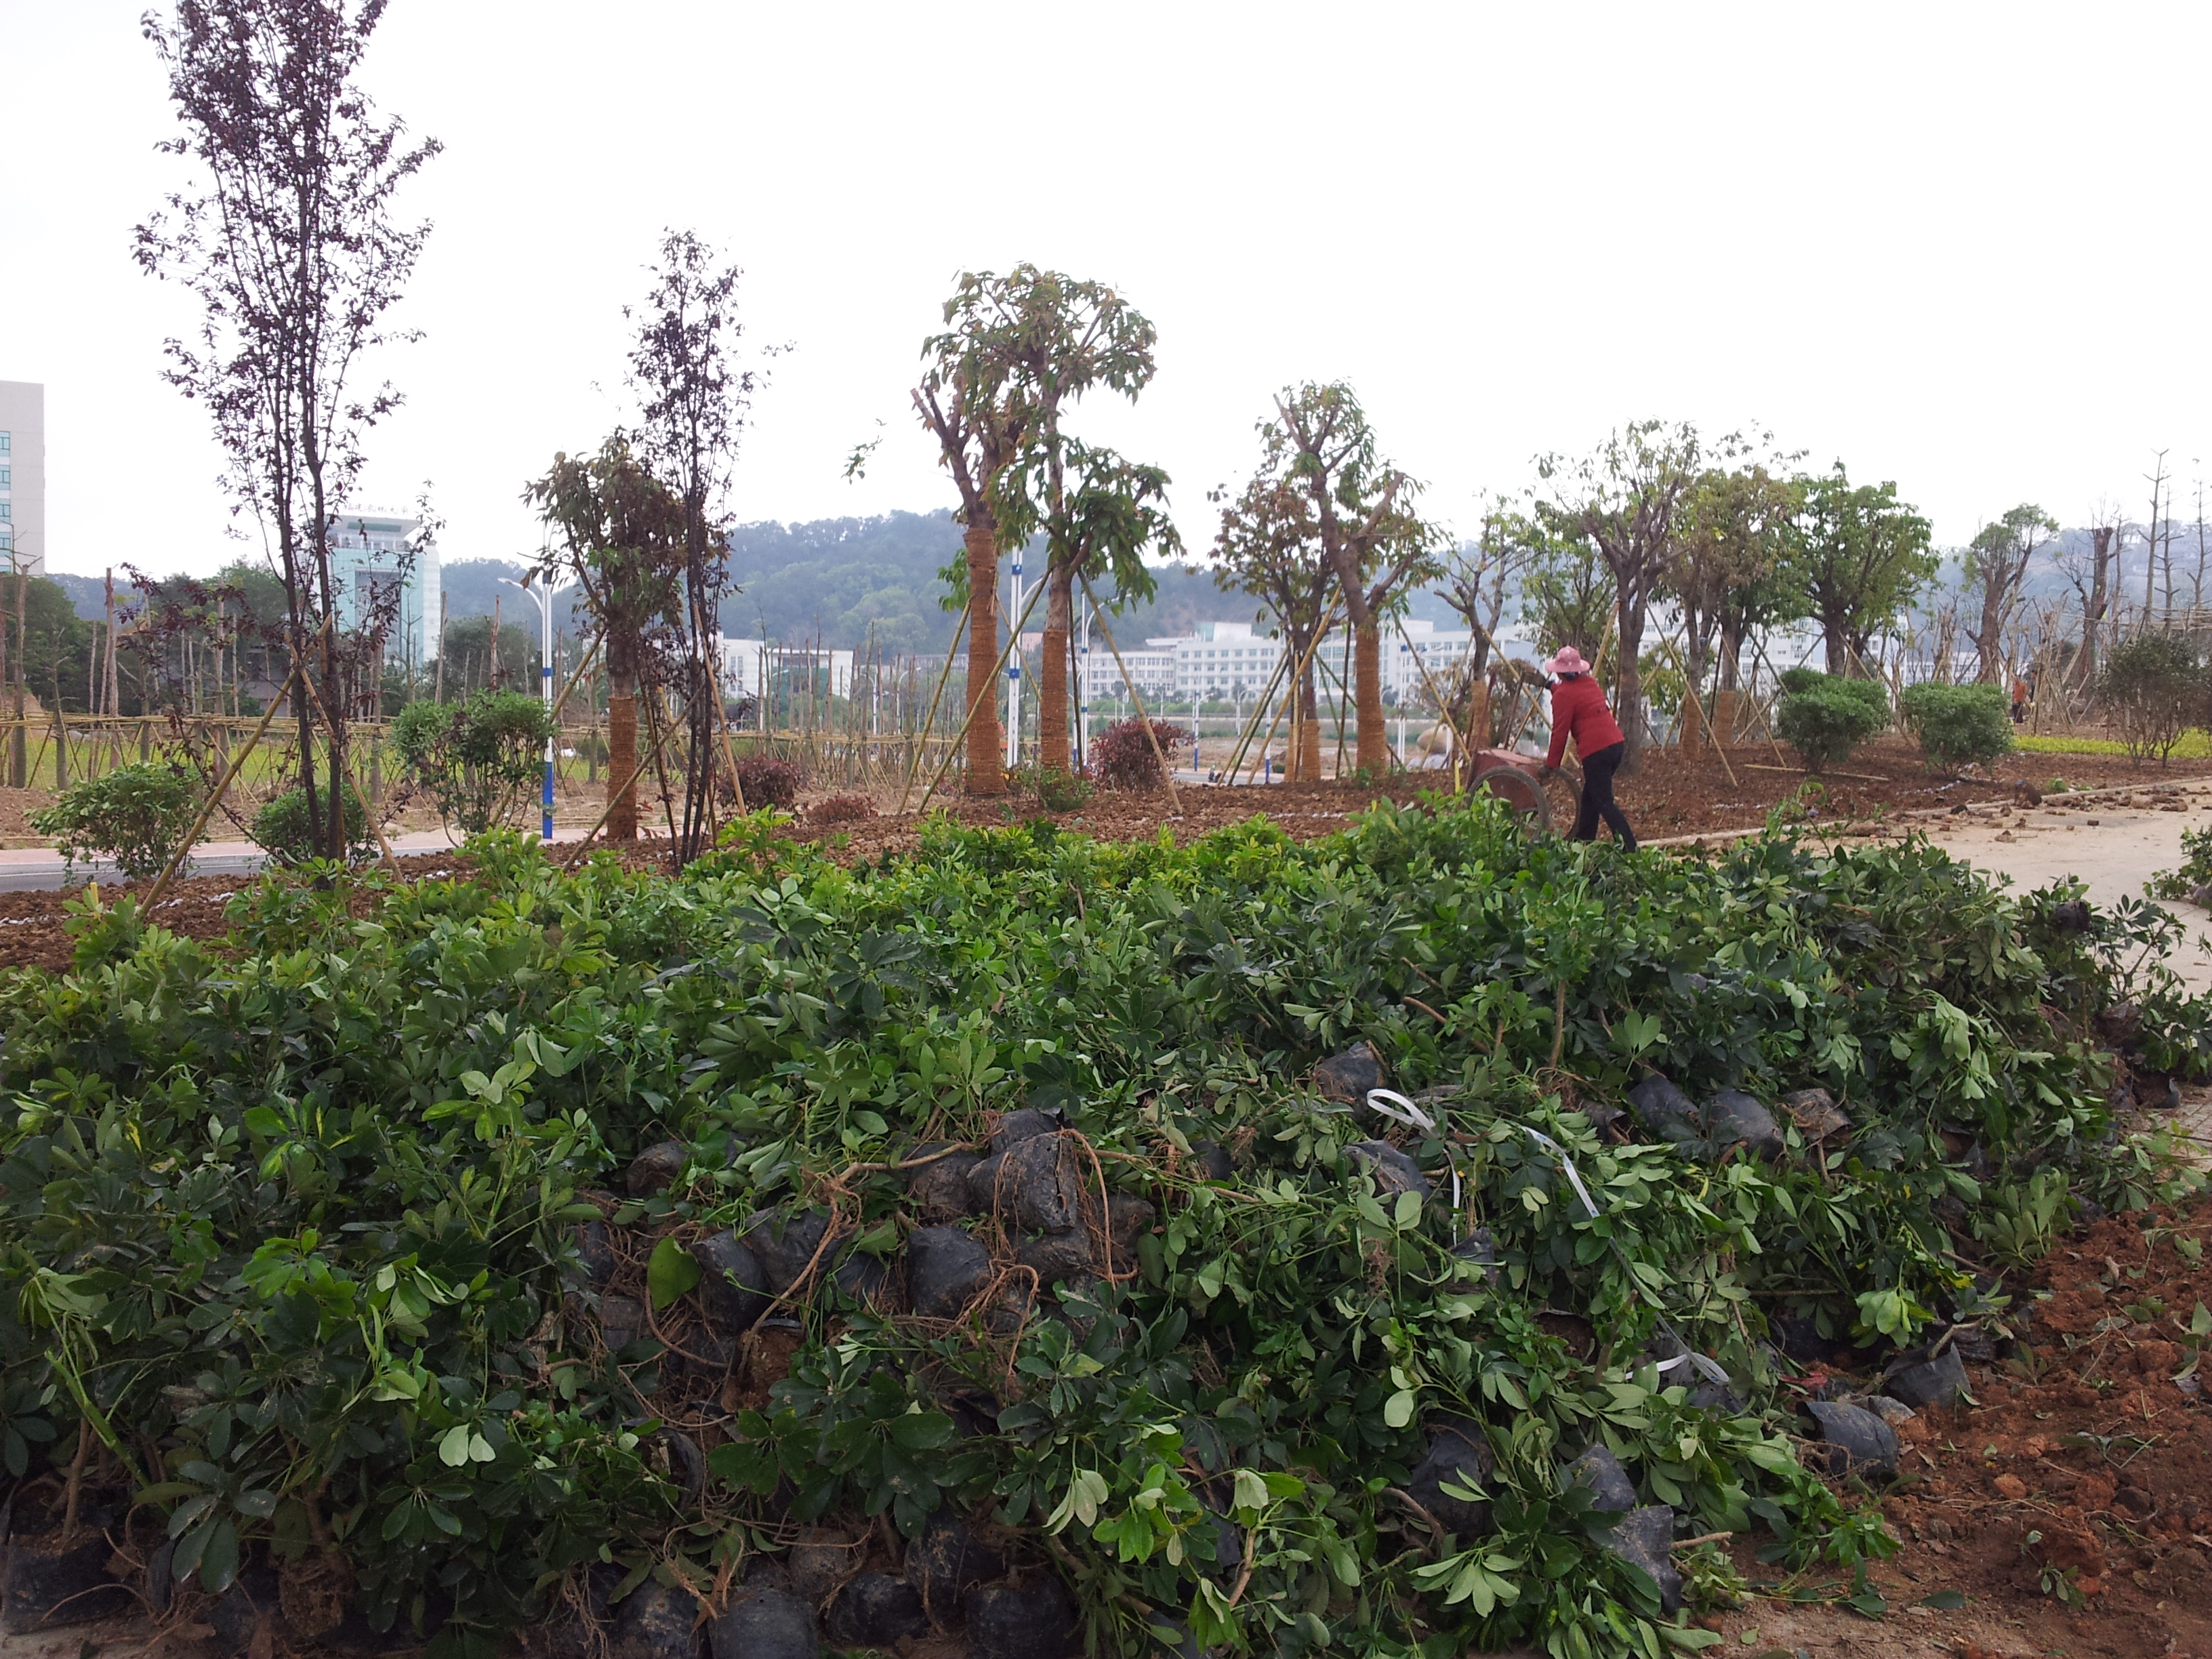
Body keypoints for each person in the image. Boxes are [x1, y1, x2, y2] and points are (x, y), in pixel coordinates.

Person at [1539, 645, 1637, 850]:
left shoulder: (1564, 695)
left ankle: (1631, 848)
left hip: (1596, 752)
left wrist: (1551, 765)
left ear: (1559, 672)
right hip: (1615, 745)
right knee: (1590, 798)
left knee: (1603, 801)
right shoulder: (1590, 684)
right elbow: (1572, 693)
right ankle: (1583, 843)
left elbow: (1560, 732)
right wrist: (1550, 686)